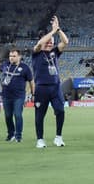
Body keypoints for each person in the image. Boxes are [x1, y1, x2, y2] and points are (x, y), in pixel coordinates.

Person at [32, 15, 68, 148]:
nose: (50, 43)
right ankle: (40, 139)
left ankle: (58, 137)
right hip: (41, 88)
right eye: (48, 41)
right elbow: (39, 44)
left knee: (60, 111)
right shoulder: (36, 53)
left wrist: (58, 30)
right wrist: (51, 32)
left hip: (55, 87)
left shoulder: (54, 52)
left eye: (52, 41)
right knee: (40, 114)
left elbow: (65, 42)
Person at [1, 49, 34, 142]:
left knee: (18, 115)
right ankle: (11, 134)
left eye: (14, 56)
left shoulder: (25, 68)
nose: (11, 58)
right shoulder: (5, 64)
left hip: (19, 96)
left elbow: (31, 81)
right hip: (6, 95)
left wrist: (33, 93)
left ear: (19, 56)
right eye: (10, 56)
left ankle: (18, 136)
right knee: (7, 116)